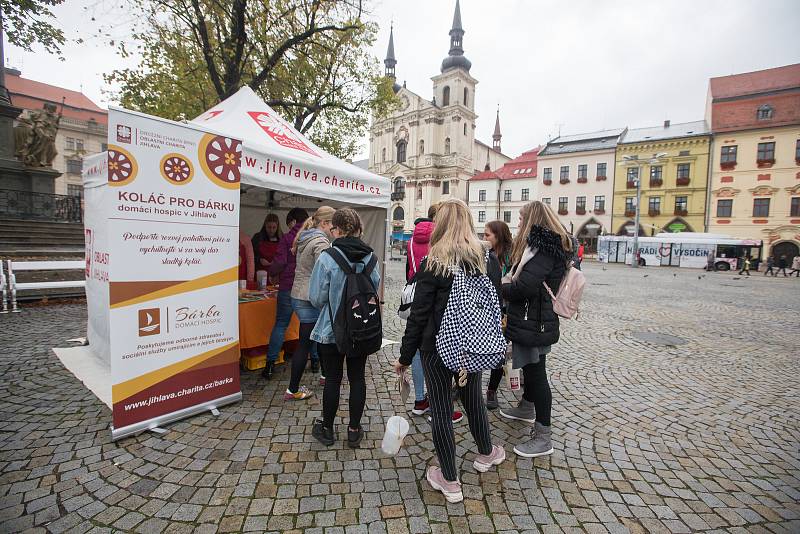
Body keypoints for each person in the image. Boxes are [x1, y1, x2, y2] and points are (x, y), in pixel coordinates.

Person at [396, 199, 506, 504]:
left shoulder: (435, 261)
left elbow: (418, 315)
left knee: (441, 409)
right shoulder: (487, 258)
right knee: (473, 400)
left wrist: (405, 358)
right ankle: (486, 453)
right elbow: (494, 303)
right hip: (472, 345)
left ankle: (449, 478)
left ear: (441, 225)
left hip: (436, 348)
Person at [499, 200, 572, 458]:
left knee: (537, 374)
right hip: (535, 319)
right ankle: (527, 408)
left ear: (532, 220)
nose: (518, 223)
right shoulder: (544, 247)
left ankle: (543, 436)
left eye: (521, 219)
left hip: (535, 321)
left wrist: (500, 286)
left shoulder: (542, 249)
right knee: (532, 368)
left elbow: (525, 288)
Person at [310, 208, 381, 448]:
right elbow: (375, 287)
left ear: (337, 229)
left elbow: (317, 298)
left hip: (331, 329)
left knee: (332, 379)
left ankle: (327, 429)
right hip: (361, 327)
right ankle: (353, 429)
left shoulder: (328, 257)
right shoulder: (371, 257)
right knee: (357, 378)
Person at [406, 203, 463, 424]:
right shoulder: (447, 248)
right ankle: (441, 404)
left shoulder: (412, 240)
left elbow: (409, 270)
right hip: (443, 314)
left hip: (417, 295)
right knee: (442, 361)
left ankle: (420, 399)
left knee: (420, 351)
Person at [284, 206, 336, 400]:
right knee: (307, 343)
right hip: (310, 298)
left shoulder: (306, 236)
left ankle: (324, 375)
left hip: (299, 294)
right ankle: (293, 389)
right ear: (324, 223)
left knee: (315, 339)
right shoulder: (321, 242)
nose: (335, 230)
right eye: (333, 225)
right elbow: (326, 271)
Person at [263, 207, 309, 379]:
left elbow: (280, 262)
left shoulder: (287, 238)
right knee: (309, 325)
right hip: (306, 288)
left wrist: (272, 273)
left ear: (292, 221)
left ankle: (269, 366)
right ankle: (317, 363)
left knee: (281, 325)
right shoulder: (315, 238)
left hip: (288, 286)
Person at [483, 220, 512, 410]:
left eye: (487, 235)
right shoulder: (484, 255)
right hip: (484, 309)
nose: (483, 239)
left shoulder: (511, 258)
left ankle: (492, 390)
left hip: (505, 311)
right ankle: (461, 384)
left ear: (498, 237)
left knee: (499, 351)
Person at [252, 213, 282, 284]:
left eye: (274, 227)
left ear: (277, 227)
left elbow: (285, 257)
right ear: (265, 225)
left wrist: (276, 261)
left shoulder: (282, 239)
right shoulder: (257, 237)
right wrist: (259, 260)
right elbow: (251, 255)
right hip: (260, 274)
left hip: (276, 276)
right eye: (269, 227)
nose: (271, 230)